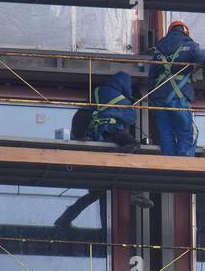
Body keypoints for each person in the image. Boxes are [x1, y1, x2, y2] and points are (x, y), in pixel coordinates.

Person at [57, 71, 148, 232]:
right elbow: (129, 117)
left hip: (94, 145)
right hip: (112, 134)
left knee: (97, 192)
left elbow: (79, 119)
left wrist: (79, 139)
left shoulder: (94, 98)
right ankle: (135, 192)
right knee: (134, 148)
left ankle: (65, 218)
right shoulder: (119, 98)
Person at [147, 21, 205, 158]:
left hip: (160, 98)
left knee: (166, 133)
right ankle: (185, 161)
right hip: (179, 96)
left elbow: (151, 76)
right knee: (185, 131)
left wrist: (151, 99)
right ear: (185, 31)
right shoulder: (189, 46)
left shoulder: (158, 50)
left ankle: (169, 161)